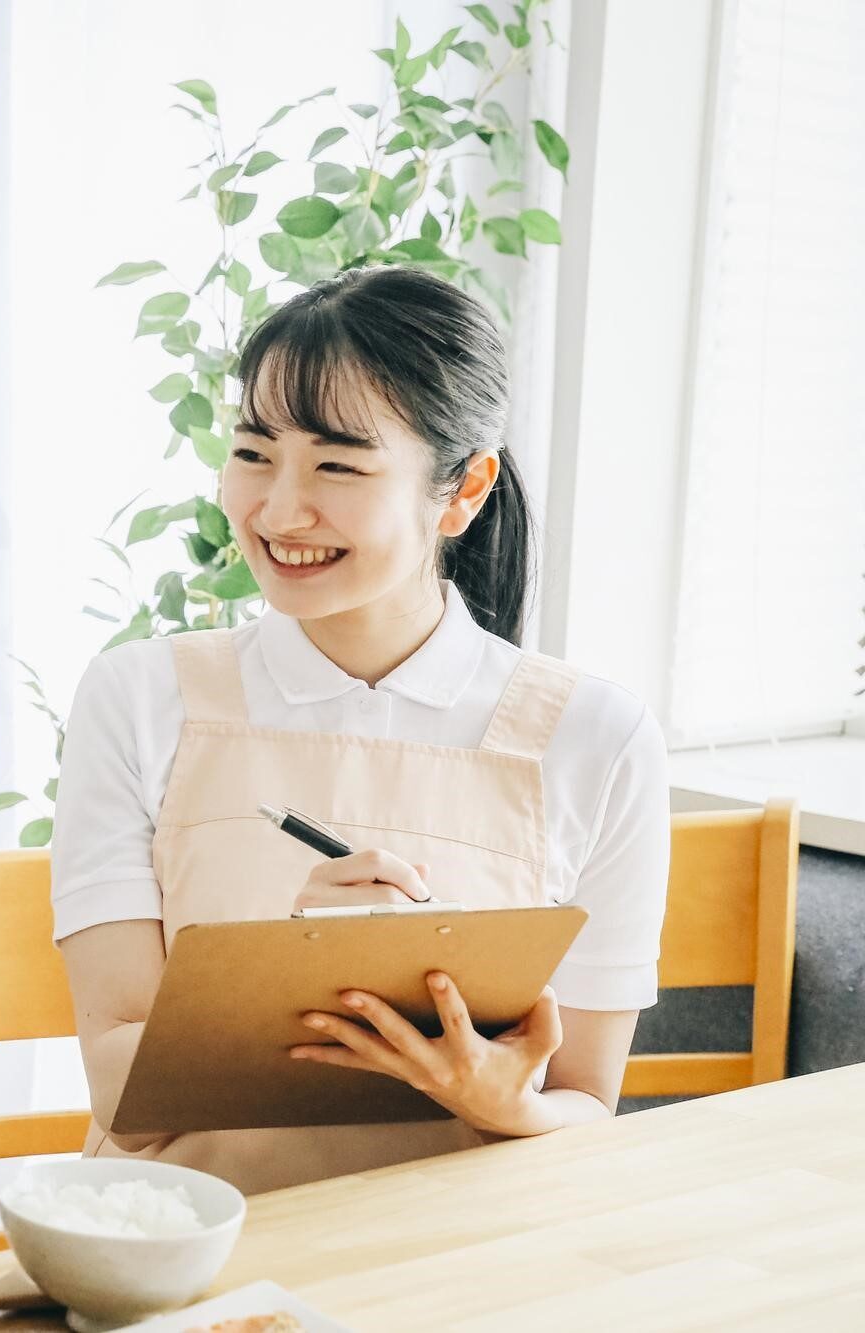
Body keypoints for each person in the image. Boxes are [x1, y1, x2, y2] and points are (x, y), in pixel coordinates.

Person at [51, 266, 669, 1195]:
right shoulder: (138, 696)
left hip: (454, 1271)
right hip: (183, 1249)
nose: (278, 509)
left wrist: (504, 1102)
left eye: (337, 464)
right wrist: (297, 968)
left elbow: (585, 1102)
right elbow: (123, 1096)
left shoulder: (597, 737)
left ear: (463, 491)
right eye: (255, 452)